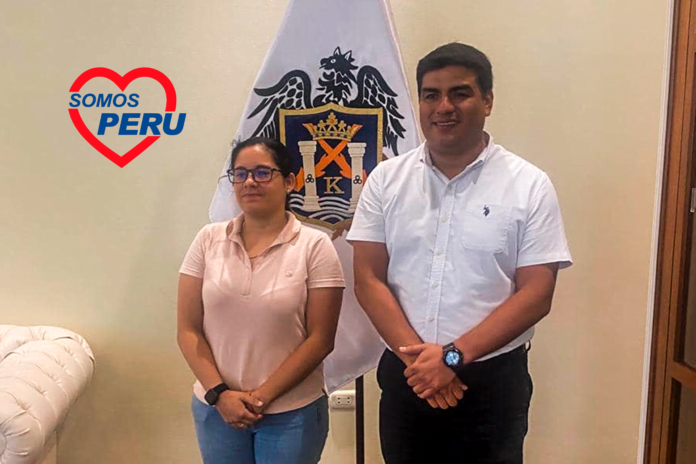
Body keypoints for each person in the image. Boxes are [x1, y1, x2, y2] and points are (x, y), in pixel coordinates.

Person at [346, 43, 573, 464]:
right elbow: (368, 278)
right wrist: (423, 365)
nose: (443, 107)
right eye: (431, 95)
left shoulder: (529, 185)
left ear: (487, 101)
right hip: (408, 377)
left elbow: (536, 294)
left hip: (491, 384)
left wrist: (451, 357)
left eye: (460, 93)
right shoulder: (385, 180)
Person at [177, 136, 345, 464]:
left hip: (292, 413)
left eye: (262, 173)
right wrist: (220, 395)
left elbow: (321, 339)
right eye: (240, 174)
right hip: (217, 409)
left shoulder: (315, 246)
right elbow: (187, 329)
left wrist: (260, 398)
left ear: (289, 181)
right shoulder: (208, 239)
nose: (250, 182)